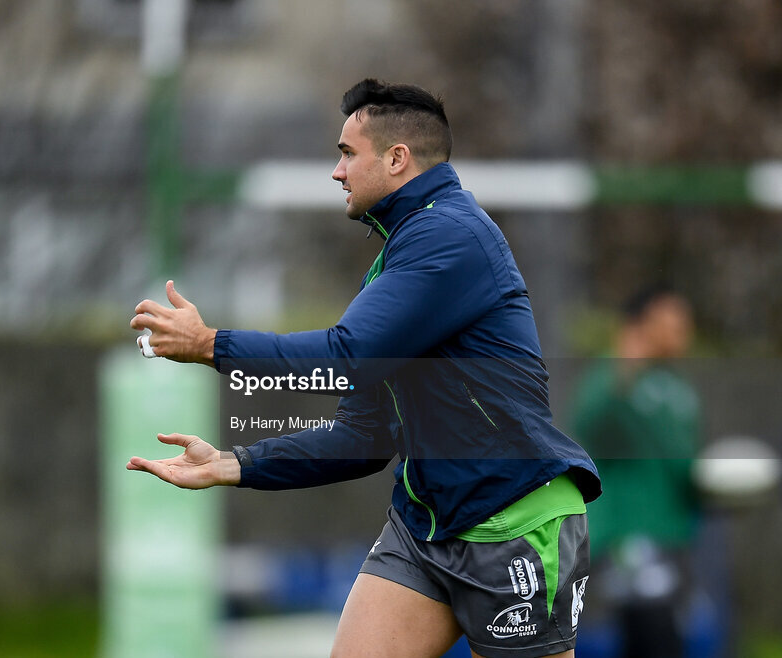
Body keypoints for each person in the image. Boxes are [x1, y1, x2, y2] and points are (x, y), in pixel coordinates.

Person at [129, 78, 601, 658]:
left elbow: (346, 358)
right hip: (424, 527)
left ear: (398, 158)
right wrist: (233, 463)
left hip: (513, 523)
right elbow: (365, 436)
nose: (337, 172)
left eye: (348, 153)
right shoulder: (395, 262)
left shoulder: (452, 235)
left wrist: (212, 346)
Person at [570, 287, 702, 658]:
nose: (683, 328)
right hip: (632, 536)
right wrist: (623, 369)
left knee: (666, 635)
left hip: (675, 534)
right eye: (673, 318)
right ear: (643, 323)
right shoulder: (613, 374)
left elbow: (682, 465)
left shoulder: (678, 387)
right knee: (652, 631)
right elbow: (589, 427)